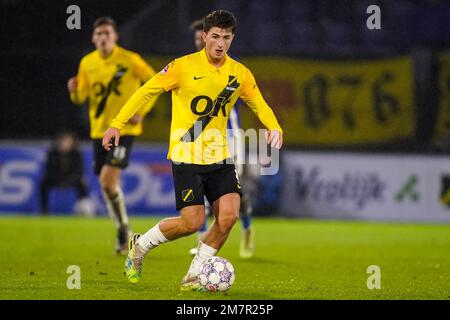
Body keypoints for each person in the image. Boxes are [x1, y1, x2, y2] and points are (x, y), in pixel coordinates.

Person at [102, 10, 283, 290]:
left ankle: (195, 273)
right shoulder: (182, 67)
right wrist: (116, 124)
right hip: (187, 156)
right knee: (192, 222)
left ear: (232, 38)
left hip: (220, 156)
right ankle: (140, 245)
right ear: (204, 37)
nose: (220, 43)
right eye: (215, 37)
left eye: (226, 37)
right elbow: (146, 91)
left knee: (229, 216)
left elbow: (259, 103)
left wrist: (274, 127)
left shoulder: (239, 73)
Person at [67, 17, 159, 254]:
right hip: (99, 131)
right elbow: (81, 97)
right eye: (99, 34)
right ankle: (124, 227)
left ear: (115, 36)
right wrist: (74, 91)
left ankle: (121, 230)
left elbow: (156, 82)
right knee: (107, 185)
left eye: (107, 33)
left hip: (124, 129)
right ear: (93, 38)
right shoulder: (87, 63)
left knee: (107, 180)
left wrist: (143, 111)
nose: (103, 37)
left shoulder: (129, 60)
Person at [189, 18, 255, 259]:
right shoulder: (191, 69)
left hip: (230, 139)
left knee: (234, 194)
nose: (201, 43)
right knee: (201, 191)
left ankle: (247, 230)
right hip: (201, 139)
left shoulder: (229, 69)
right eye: (198, 39)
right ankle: (202, 244)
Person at [39, 132, 89, 215]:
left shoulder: (76, 154)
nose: (65, 144)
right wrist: (59, 180)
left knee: (83, 184)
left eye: (68, 141)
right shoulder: (52, 153)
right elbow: (49, 170)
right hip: (56, 179)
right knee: (43, 183)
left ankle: (81, 209)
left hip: (71, 180)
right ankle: (44, 211)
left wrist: (68, 181)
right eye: (64, 141)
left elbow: (79, 172)